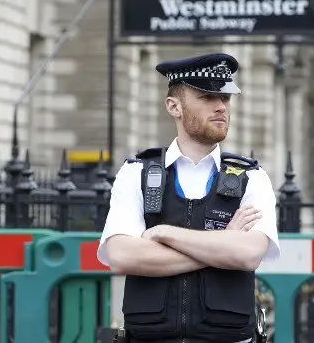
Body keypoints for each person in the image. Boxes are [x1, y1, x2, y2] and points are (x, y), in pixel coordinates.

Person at [97, 52, 281, 343]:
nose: (221, 106)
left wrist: (163, 233)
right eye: (207, 97)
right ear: (174, 106)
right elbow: (121, 256)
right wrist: (222, 244)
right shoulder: (136, 174)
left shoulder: (251, 178)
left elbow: (247, 254)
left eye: (225, 99)